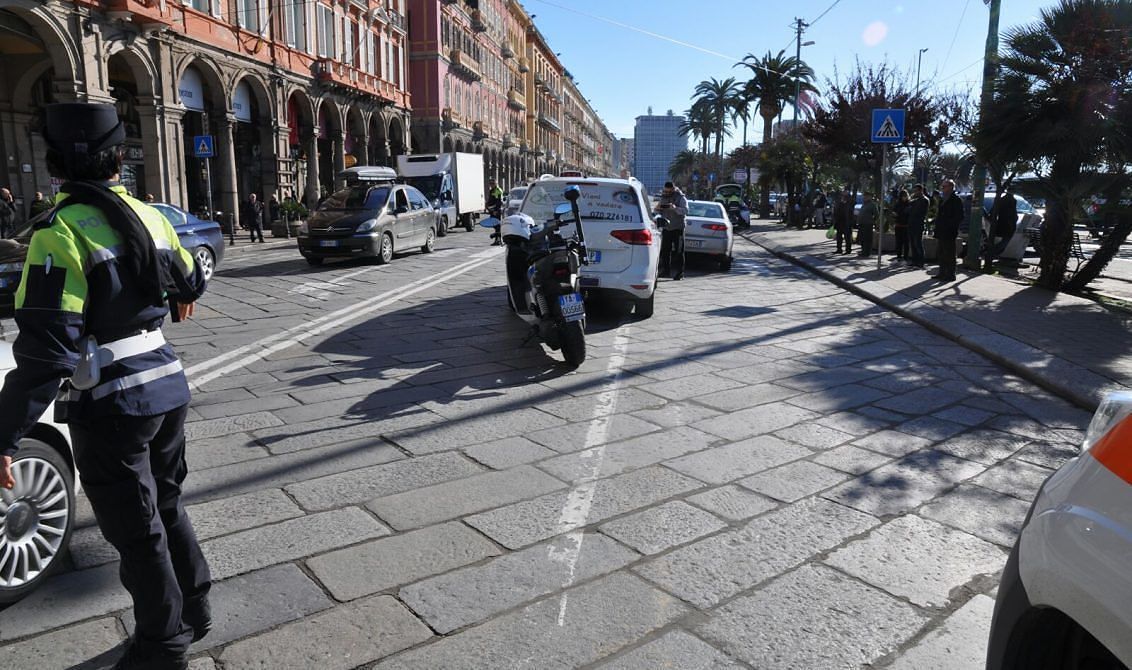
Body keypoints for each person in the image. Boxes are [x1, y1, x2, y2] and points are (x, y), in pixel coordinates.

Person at [0, 103, 210, 669]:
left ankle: (162, 644)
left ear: (55, 167)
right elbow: (193, 276)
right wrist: (175, 292)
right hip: (167, 386)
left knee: (136, 530)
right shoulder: (152, 215)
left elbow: (48, 349)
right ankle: (196, 606)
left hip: (111, 402)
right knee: (166, 503)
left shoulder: (59, 231)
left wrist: (6, 436)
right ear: (119, 158)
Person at [931, 179, 963, 282]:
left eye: (944, 187)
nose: (943, 189)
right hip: (941, 231)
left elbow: (959, 216)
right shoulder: (942, 199)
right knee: (941, 253)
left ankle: (950, 274)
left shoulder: (956, 200)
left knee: (949, 253)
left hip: (949, 231)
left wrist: (950, 225)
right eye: (942, 187)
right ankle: (942, 272)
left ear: (950, 187)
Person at [655, 180, 688, 280]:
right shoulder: (663, 197)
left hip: (678, 228)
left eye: (669, 191)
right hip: (666, 227)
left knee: (679, 251)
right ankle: (666, 271)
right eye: (665, 191)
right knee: (665, 251)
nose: (667, 193)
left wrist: (675, 208)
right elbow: (656, 211)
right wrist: (658, 208)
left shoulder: (681, 197)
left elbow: (686, 210)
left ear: (673, 189)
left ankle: (680, 273)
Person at [986, 189, 1018, 269]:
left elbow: (994, 211)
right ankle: (992, 253)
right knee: (1005, 241)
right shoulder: (1011, 200)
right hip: (1008, 224)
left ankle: (992, 253)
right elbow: (1013, 213)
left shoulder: (1002, 200)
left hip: (1002, 223)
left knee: (1004, 241)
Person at [907, 184, 930, 267]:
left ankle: (921, 261)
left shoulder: (924, 200)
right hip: (911, 224)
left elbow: (918, 212)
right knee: (912, 243)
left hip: (918, 224)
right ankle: (914, 260)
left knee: (918, 243)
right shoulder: (915, 200)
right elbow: (908, 207)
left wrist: (912, 207)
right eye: (914, 191)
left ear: (921, 190)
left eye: (916, 190)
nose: (915, 192)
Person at [856, 192, 879, 258]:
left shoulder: (872, 205)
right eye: (864, 196)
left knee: (867, 239)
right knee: (862, 238)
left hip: (868, 224)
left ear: (870, 197)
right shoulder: (864, 204)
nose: (864, 197)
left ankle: (867, 252)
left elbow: (877, 215)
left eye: (866, 196)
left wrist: (873, 221)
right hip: (862, 224)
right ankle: (863, 251)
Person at [833, 189, 853, 254]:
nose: (843, 195)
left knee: (847, 237)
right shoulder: (840, 201)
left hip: (847, 222)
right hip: (839, 222)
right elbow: (836, 209)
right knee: (839, 236)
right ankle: (839, 249)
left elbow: (850, 212)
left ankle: (848, 250)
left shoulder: (850, 201)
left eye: (844, 193)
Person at [893, 189, 911, 260]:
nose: (904, 198)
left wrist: (900, 214)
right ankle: (899, 256)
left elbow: (908, 213)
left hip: (906, 226)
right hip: (898, 225)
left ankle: (905, 257)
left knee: (906, 243)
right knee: (898, 242)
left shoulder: (909, 204)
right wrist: (894, 214)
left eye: (905, 196)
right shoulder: (898, 204)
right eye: (903, 196)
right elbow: (894, 212)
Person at [487, 179, 504, 245]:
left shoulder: (497, 190)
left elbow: (498, 202)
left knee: (497, 226)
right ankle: (497, 240)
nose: (491, 185)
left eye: (493, 183)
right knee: (495, 226)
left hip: (496, 211)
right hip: (492, 211)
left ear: (496, 183)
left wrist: (495, 210)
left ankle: (498, 240)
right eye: (490, 183)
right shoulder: (492, 190)